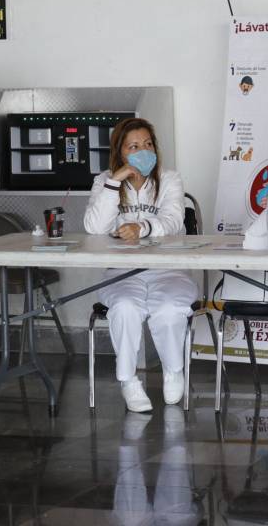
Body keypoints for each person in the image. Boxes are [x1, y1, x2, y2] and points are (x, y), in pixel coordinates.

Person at [84, 118, 198, 412]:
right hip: (122, 272)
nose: (143, 151)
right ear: (120, 152)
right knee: (125, 308)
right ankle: (128, 380)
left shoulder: (169, 179)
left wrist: (143, 228)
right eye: (133, 146)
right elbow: (95, 227)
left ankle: (173, 370)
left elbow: (174, 220)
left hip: (169, 269)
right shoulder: (104, 181)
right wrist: (115, 181)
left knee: (169, 308)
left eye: (148, 144)